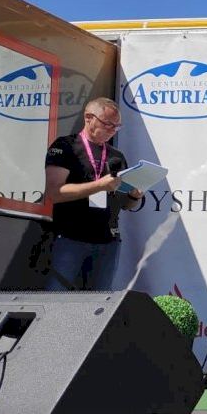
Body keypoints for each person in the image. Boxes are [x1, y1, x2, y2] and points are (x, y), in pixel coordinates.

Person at [43, 97, 142, 291]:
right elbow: (54, 192)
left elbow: (126, 205)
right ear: (88, 118)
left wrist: (135, 195)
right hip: (70, 238)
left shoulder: (116, 156)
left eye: (117, 126)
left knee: (99, 303)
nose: (112, 130)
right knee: (56, 300)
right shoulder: (65, 146)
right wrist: (98, 185)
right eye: (108, 124)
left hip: (108, 241)